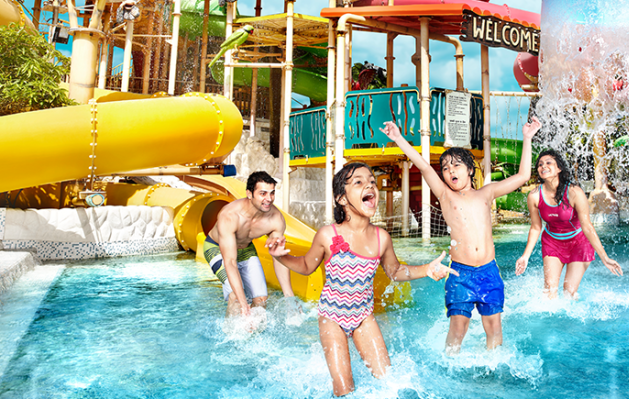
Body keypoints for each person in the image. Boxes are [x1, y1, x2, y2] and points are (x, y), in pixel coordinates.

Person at [268, 162, 456, 396]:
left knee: (388, 383)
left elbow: (395, 271)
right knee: (345, 388)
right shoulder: (328, 235)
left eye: (371, 182)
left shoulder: (381, 238)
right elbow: (307, 266)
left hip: (363, 317)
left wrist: (426, 269)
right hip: (332, 317)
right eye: (358, 182)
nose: (369, 185)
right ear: (342, 199)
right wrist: (283, 258)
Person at [380, 117, 542, 354]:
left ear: (469, 169)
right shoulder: (446, 196)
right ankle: (450, 366)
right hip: (459, 273)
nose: (450, 171)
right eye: (445, 168)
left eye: (456, 165)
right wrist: (398, 139)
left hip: (488, 271)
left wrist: (527, 138)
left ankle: (492, 369)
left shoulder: (487, 193)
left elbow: (523, 176)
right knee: (458, 329)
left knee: (494, 328)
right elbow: (424, 166)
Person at [515, 149, 623, 298]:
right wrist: (525, 256)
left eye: (548, 163)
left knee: (568, 292)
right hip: (553, 242)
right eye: (540, 164)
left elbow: (587, 226)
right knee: (549, 292)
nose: (543, 166)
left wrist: (605, 258)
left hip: (579, 243)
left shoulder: (574, 192)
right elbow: (535, 227)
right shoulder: (534, 196)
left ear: (559, 168)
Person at [205, 171, 295, 320]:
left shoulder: (276, 219)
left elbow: (278, 256)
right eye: (263, 193)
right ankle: (230, 335)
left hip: (246, 249)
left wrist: (289, 296)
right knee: (235, 296)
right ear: (249, 193)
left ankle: (252, 334)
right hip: (216, 248)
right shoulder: (230, 215)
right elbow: (230, 262)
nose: (269, 199)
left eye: (272, 193)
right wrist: (244, 304)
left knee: (261, 300)